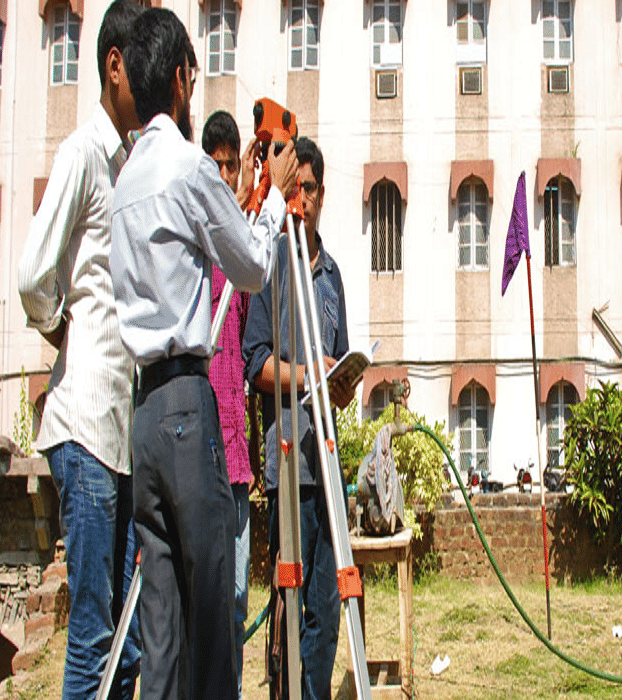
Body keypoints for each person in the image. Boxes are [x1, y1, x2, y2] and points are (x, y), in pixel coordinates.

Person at [109, 8, 297, 700]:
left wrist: (240, 197)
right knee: (215, 614)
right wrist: (271, 197)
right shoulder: (188, 166)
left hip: (145, 413)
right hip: (190, 406)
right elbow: (248, 267)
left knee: (163, 627)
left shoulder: (128, 176)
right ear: (184, 78)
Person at [17, 3, 144, 698]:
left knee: (126, 640)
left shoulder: (129, 163)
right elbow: (33, 272)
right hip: (87, 425)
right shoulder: (83, 153)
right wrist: (60, 326)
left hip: (120, 435)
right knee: (95, 633)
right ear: (114, 63)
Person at [242, 136, 355, 700]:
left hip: (327, 460)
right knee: (290, 604)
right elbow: (256, 361)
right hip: (288, 461)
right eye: (296, 188)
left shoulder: (332, 275)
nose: (303, 199)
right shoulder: (271, 267)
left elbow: (338, 363)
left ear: (323, 194)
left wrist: (342, 382)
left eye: (311, 188)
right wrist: (310, 374)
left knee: (327, 608)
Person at [200, 109, 258, 698]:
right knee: (204, 596)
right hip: (198, 452)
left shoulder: (239, 248)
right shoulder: (197, 244)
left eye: (230, 164)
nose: (223, 175)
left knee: (238, 592)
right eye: (213, 165)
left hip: (237, 456)